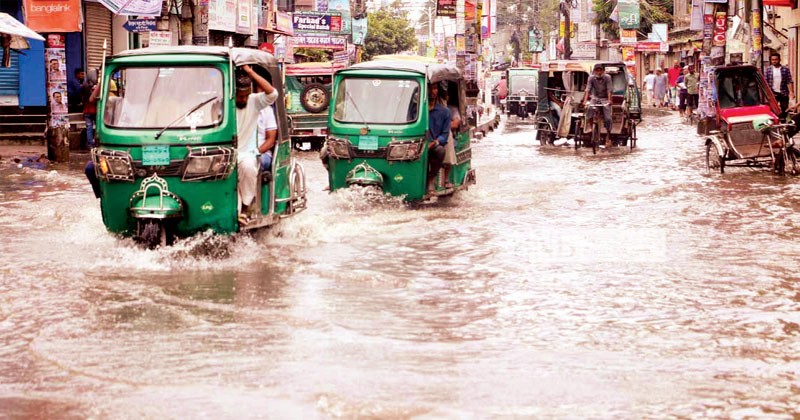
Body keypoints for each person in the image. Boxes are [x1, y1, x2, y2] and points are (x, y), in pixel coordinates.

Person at [234, 64, 279, 220]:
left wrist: (249, 72)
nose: (243, 99)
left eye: (246, 95)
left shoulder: (254, 102)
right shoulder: (223, 105)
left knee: (247, 166)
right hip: (227, 153)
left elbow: (273, 94)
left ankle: (246, 206)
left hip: (248, 153)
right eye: (240, 96)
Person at [426, 81, 451, 194]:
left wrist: (434, 143)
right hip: (417, 143)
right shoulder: (416, 109)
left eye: (435, 88)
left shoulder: (444, 112)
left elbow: (444, 135)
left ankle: (431, 178)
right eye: (430, 89)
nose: (432, 92)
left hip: (433, 145)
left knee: (440, 151)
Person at [582, 63, 614, 148]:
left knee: (608, 118)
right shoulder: (591, 78)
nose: (599, 72)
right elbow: (588, 89)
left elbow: (609, 89)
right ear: (595, 71)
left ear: (603, 71)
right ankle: (592, 128)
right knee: (589, 109)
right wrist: (585, 101)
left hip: (605, 98)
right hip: (595, 97)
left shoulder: (607, 77)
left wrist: (610, 100)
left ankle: (608, 136)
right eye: (597, 70)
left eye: (600, 70)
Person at [764, 52, 795, 118]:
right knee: (773, 109)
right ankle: (775, 121)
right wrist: (767, 93)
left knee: (784, 109)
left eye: (776, 59)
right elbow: (766, 82)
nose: (774, 61)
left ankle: (783, 121)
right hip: (773, 93)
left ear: (779, 60)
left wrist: (791, 92)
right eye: (773, 60)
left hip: (783, 92)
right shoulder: (768, 70)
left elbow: (789, 81)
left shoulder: (785, 69)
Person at [257, 104, 278, 174]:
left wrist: (255, 153)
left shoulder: (266, 110)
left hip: (262, 153)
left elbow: (271, 140)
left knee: (251, 165)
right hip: (240, 153)